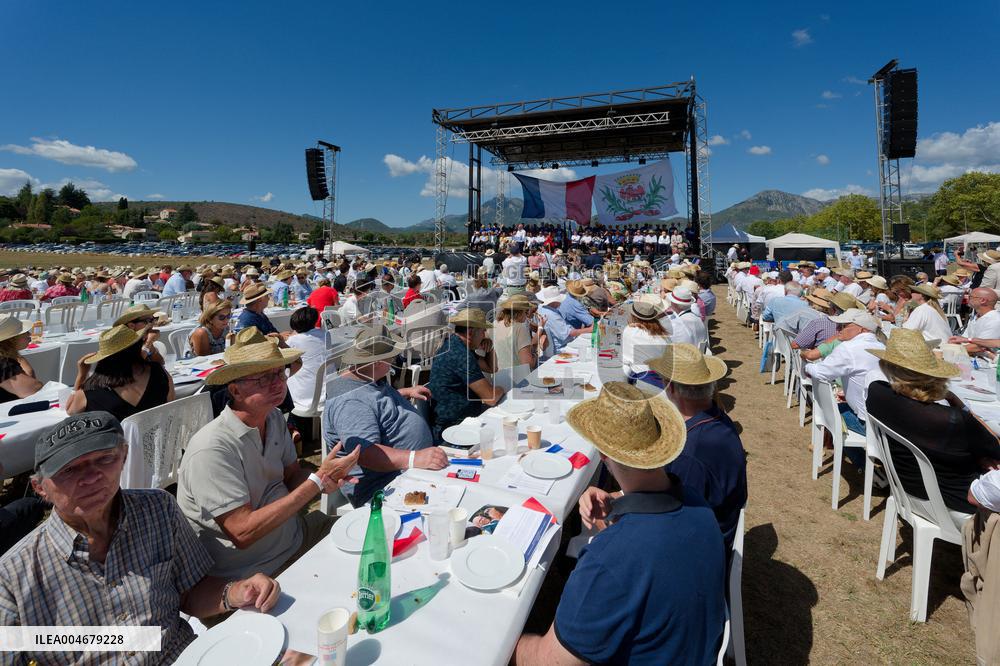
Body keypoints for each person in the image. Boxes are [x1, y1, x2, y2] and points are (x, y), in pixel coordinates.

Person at [0, 412, 283, 664]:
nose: (91, 477)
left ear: (123, 457)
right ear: (40, 488)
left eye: (105, 459)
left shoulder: (158, 509)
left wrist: (235, 592)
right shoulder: (12, 576)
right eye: (70, 470)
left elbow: (189, 593)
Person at [515, 382, 726, 665]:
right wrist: (615, 506)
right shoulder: (699, 507)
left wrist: (502, 641)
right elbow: (646, 555)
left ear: (602, 455)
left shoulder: (608, 560)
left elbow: (545, 662)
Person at [178, 341, 360, 578]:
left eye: (279, 373)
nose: (278, 382)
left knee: (370, 539)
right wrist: (316, 482)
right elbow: (242, 533)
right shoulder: (212, 448)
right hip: (253, 574)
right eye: (263, 378)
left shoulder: (273, 418)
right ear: (235, 391)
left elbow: (293, 476)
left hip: (295, 538)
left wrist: (325, 480)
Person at [866, 328, 1000, 513]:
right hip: (958, 499)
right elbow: (995, 446)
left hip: (908, 489)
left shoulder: (877, 393)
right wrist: (962, 407)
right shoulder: (952, 419)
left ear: (886, 366)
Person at [323, 328, 447, 507]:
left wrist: (403, 392)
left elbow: (373, 405)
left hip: (407, 474)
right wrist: (415, 458)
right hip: (385, 489)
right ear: (377, 362)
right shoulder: (350, 401)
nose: (393, 360)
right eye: (391, 356)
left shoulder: (365, 377)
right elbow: (365, 453)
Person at [649, 344, 747, 551]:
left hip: (699, 546)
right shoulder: (717, 419)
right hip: (716, 528)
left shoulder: (690, 452)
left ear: (672, 388)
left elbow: (673, 522)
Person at [804, 308, 884, 466]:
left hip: (868, 423)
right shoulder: (882, 346)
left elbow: (821, 372)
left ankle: (866, 466)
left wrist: (807, 367)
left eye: (843, 326)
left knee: (831, 413)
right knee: (841, 406)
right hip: (885, 421)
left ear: (862, 329)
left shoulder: (849, 348)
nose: (837, 330)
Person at [426, 308, 504, 443]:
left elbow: (492, 368)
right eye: (483, 331)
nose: (485, 334)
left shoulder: (454, 344)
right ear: (470, 332)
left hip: (457, 420)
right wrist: (502, 389)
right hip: (455, 429)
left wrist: (490, 348)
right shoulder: (461, 355)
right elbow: (490, 397)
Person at [66, 325, 175, 421]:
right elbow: (171, 403)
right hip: (159, 441)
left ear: (104, 357)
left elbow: (71, 411)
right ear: (137, 347)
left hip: (118, 443)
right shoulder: (159, 372)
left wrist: (82, 374)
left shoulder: (92, 389)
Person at [285, 306, 329, 410]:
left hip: (303, 396)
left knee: (285, 373)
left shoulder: (293, 341)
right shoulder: (326, 335)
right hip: (327, 391)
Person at [621, 299, 671, 380]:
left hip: (641, 378)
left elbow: (626, 360)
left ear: (633, 316)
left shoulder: (630, 331)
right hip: (662, 377)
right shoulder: (663, 334)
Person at [0, 315, 42, 402]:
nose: (29, 334)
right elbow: (33, 389)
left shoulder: (7, 358)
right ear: (12, 339)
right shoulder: (3, 363)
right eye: (23, 332)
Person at [490, 296, 539, 371]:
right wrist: (535, 354)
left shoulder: (494, 324)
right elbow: (528, 364)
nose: (527, 316)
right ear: (520, 312)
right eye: (526, 312)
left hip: (497, 377)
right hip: (517, 378)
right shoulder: (520, 328)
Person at [953, 288, 1000, 355]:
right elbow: (964, 339)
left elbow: (979, 347)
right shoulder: (975, 316)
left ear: (983, 300)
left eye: (970, 296)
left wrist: (949, 349)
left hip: (988, 362)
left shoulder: (995, 320)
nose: (966, 297)